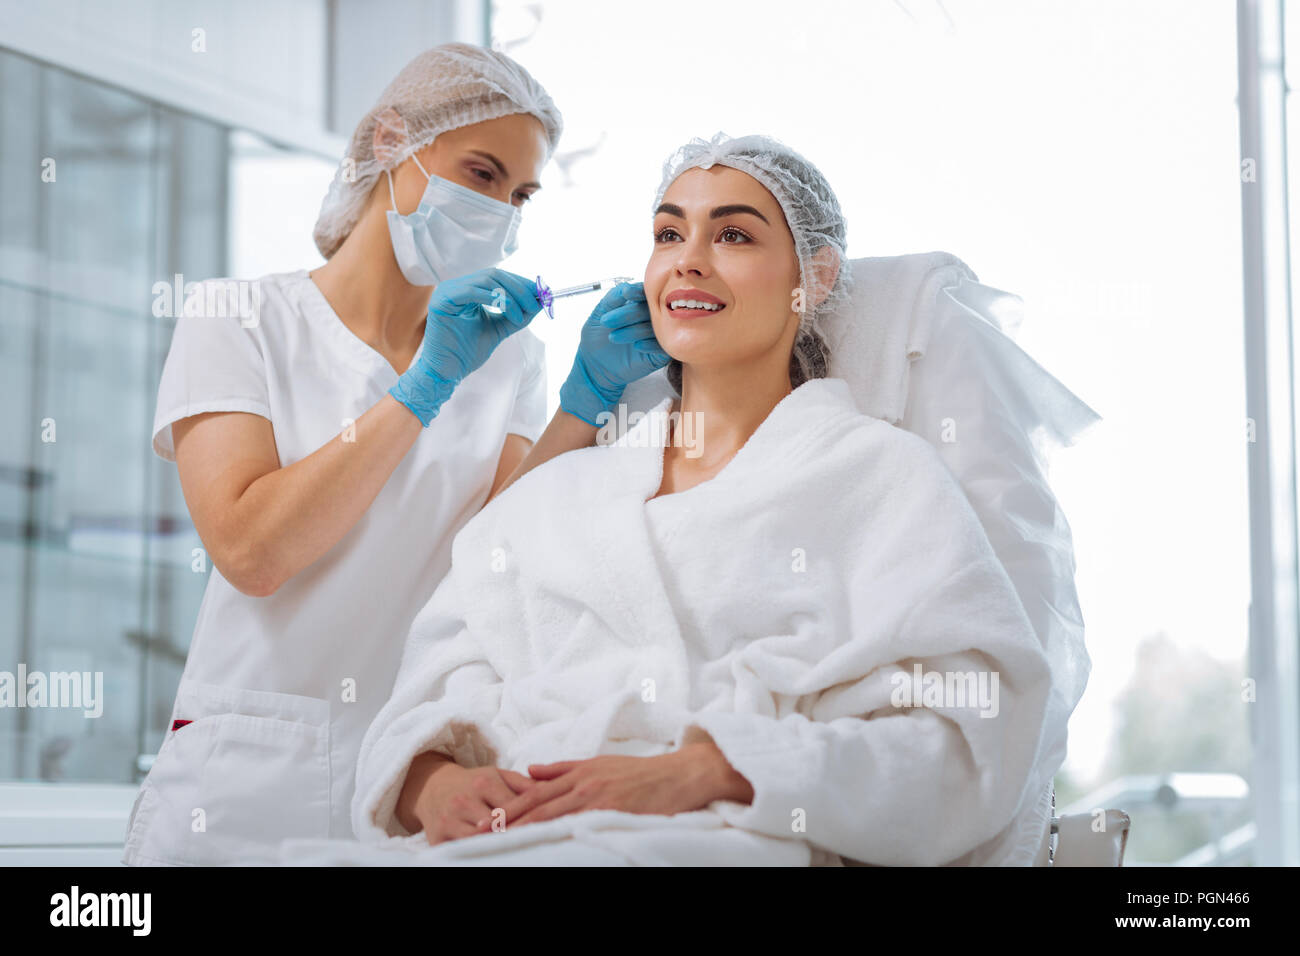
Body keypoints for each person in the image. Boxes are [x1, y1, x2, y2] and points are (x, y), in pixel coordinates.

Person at [331, 134, 1059, 867]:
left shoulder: (881, 478)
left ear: (816, 277)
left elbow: (970, 738)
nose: (688, 259)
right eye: (668, 234)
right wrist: (434, 785)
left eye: (734, 235)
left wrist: (710, 770)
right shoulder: (558, 494)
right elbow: (422, 701)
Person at [122, 43, 667, 866]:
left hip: (409, 774)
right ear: (390, 141)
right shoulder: (239, 318)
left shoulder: (508, 360)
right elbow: (252, 551)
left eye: (520, 194)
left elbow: (497, 563)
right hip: (240, 782)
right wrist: (423, 388)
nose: (501, 210)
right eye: (482, 173)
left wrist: (584, 399)